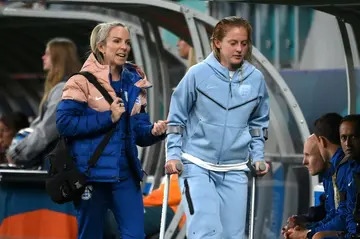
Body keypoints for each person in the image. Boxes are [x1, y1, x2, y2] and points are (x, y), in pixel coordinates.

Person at [56, 22, 168, 239]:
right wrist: (109, 118)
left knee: (135, 235)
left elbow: (138, 132)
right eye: (116, 41)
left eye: (127, 42)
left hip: (125, 175)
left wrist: (154, 131)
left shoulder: (135, 81)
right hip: (91, 176)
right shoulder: (80, 81)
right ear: (101, 47)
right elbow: (65, 124)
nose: (124, 47)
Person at [165, 16, 270, 239]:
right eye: (233, 43)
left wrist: (258, 155)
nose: (240, 49)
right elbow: (176, 120)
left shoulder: (256, 79)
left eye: (244, 43)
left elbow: (258, 124)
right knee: (207, 232)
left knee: (234, 235)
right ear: (218, 43)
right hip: (197, 166)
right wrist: (173, 155)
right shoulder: (197, 74)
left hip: (235, 169)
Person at [6, 38, 81, 168]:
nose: (43, 57)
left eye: (47, 54)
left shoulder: (63, 89)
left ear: (58, 58)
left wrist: (17, 153)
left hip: (57, 167)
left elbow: (46, 131)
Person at [284, 113, 348, 239]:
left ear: (322, 143)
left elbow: (342, 218)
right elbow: (331, 213)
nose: (304, 162)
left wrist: (307, 234)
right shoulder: (330, 175)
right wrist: (307, 228)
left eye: (308, 155)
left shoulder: (344, 170)